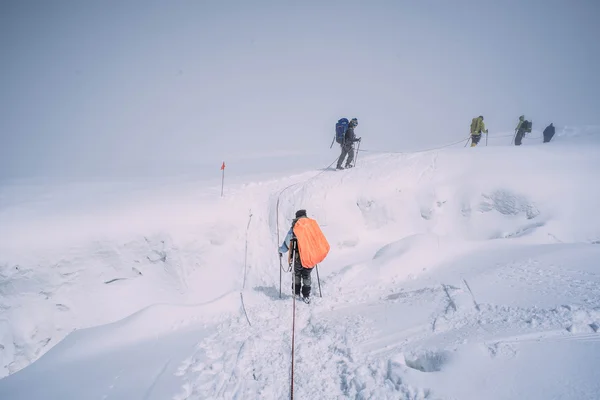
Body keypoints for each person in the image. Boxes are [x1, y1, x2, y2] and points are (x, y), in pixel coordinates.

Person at [278, 209, 330, 303]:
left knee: (297, 274)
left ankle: (296, 293)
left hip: (299, 256)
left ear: (297, 217)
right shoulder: (312, 225)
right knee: (307, 275)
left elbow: (287, 242)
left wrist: (281, 250)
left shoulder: (296, 226)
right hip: (311, 255)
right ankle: (306, 296)